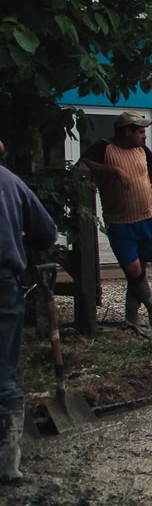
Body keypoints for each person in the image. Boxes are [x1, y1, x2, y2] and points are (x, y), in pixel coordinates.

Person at [0, 139, 60, 482]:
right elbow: (47, 233)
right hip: (3, 281)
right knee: (3, 372)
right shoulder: (10, 182)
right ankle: (8, 463)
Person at [81, 111, 152, 331]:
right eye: (141, 132)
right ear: (127, 132)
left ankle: (131, 319)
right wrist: (114, 169)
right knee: (134, 270)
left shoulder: (142, 149)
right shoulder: (104, 148)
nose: (144, 136)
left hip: (148, 216)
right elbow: (85, 163)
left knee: (138, 272)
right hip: (120, 221)